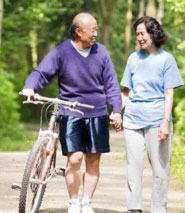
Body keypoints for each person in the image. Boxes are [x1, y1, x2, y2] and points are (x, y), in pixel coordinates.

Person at [22, 12, 122, 213]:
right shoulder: (62, 52)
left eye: (96, 29)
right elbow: (42, 72)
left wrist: (117, 110)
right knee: (74, 158)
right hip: (71, 111)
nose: (96, 33)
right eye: (92, 29)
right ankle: (74, 201)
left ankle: (87, 202)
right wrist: (30, 87)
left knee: (93, 160)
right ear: (78, 31)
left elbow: (111, 84)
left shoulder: (101, 52)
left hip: (97, 112)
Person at [120, 16, 184, 213]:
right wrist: (116, 112)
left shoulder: (166, 59)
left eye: (142, 33)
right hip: (132, 120)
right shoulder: (133, 58)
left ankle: (158, 209)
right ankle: (134, 208)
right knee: (133, 167)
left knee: (160, 170)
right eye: (137, 34)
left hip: (157, 121)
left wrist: (165, 122)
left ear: (153, 33)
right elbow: (126, 92)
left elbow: (169, 93)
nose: (139, 37)